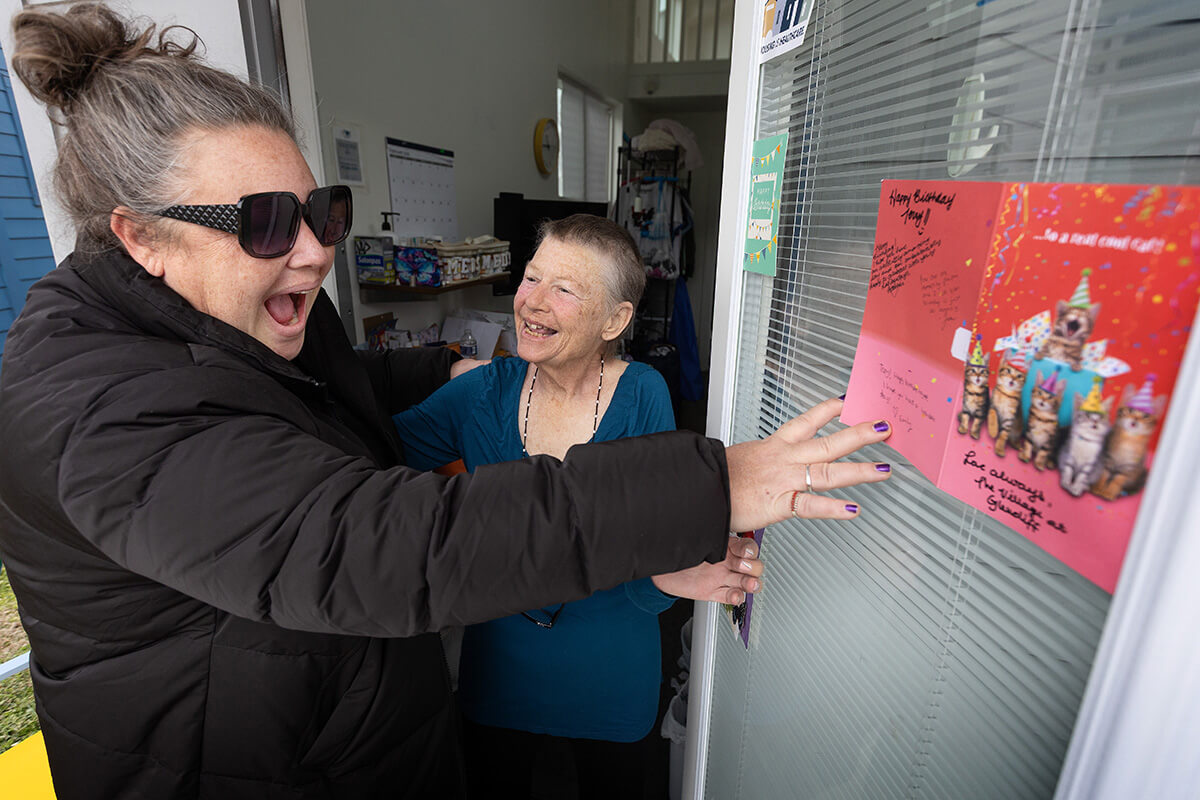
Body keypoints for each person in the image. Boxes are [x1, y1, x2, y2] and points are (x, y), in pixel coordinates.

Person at [0, 5, 892, 799]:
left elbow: (325, 387)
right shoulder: (96, 409)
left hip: (353, 726)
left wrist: (436, 369)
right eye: (268, 221)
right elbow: (379, 542)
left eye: (323, 212)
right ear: (139, 236)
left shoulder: (247, 309)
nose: (313, 251)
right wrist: (710, 487)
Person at [393, 214, 740, 798]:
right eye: (531, 278)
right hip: (499, 671)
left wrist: (671, 580)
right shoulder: (480, 393)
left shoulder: (644, 394)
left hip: (611, 675)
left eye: (564, 289)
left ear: (615, 319)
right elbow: (376, 458)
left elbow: (648, 563)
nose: (532, 303)